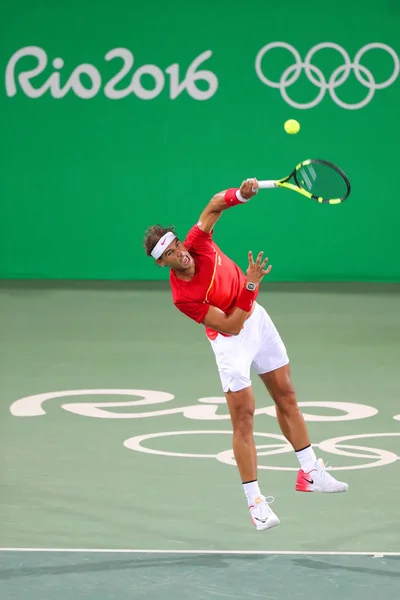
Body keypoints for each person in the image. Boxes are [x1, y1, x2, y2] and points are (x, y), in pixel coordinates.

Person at [143, 178, 348, 531]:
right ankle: (255, 503)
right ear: (163, 264)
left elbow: (212, 205)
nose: (181, 252)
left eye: (177, 245)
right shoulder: (183, 296)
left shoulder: (199, 242)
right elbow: (231, 325)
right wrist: (251, 284)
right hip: (231, 340)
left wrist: (240, 194)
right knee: (244, 418)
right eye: (171, 254)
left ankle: (311, 472)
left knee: (286, 395)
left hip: (258, 321)